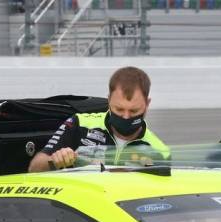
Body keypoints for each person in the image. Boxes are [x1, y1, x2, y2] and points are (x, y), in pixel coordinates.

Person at [29, 66, 169, 172]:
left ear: (147, 104)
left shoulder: (159, 151)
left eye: (133, 111)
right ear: (108, 100)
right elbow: (34, 167)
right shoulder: (79, 124)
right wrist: (54, 160)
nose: (126, 116)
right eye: (119, 109)